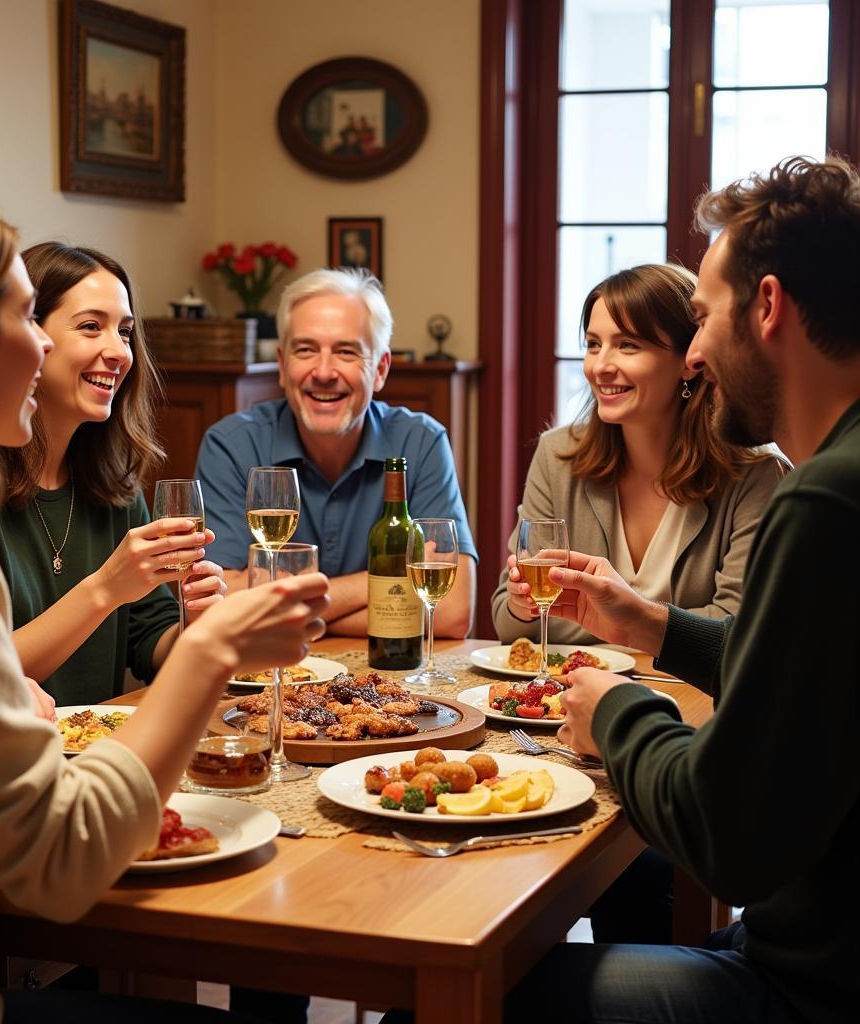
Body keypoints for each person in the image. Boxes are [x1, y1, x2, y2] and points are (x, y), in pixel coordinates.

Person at [0, 190, 328, 1023]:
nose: (40, 343)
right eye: (33, 317)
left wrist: (190, 636)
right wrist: (212, 656)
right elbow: (57, 866)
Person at [389, 155, 860, 1024]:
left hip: (810, 986)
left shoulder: (823, 496)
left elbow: (728, 842)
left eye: (705, 319)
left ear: (767, 307)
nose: (702, 349)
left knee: (441, 1000)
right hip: (804, 944)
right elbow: (795, 674)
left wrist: (612, 710)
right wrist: (647, 622)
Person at [493, 263, 786, 648]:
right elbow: (507, 624)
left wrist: (617, 617)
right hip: (571, 695)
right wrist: (522, 604)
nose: (601, 367)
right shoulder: (557, 455)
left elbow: (737, 631)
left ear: (689, 359)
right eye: (594, 344)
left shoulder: (754, 472)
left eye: (628, 345)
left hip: (691, 702)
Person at [0, 243, 227, 707]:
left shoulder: (113, 486)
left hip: (94, 750)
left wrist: (196, 624)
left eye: (124, 332)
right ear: (27, 337)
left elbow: (150, 640)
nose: (118, 351)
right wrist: (105, 588)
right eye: (90, 327)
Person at [195, 266, 477, 637]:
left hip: (384, 678)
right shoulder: (231, 446)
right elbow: (215, 609)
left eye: (346, 352)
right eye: (306, 350)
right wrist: (382, 583)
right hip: (266, 681)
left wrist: (281, 606)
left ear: (380, 369)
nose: (324, 371)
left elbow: (452, 611)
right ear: (282, 365)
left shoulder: (421, 443)